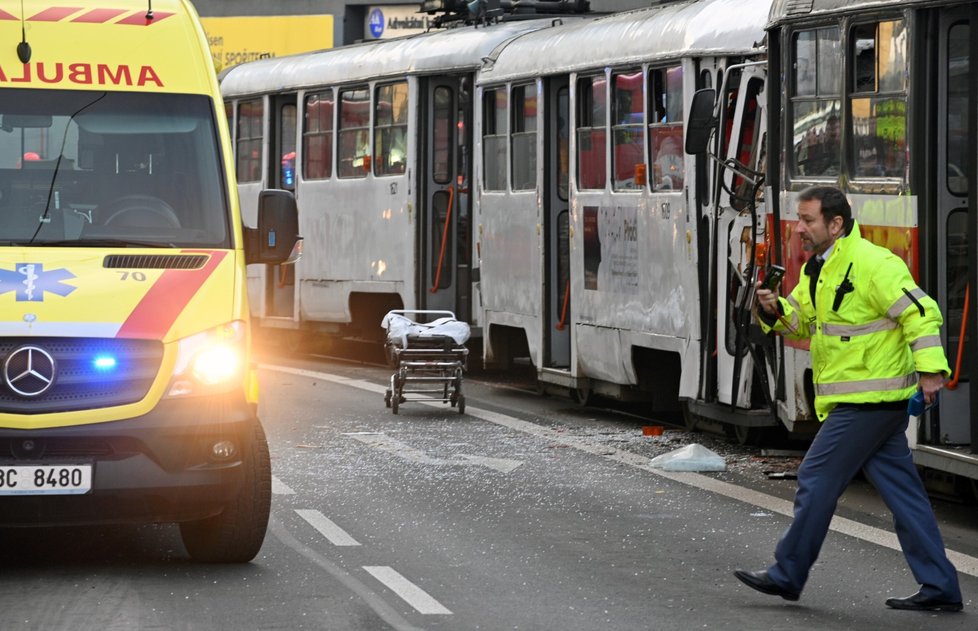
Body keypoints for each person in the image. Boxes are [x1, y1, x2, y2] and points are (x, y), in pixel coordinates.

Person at [735, 185, 963, 612]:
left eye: (808, 220)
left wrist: (931, 371)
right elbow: (802, 325)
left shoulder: (874, 263)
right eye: (800, 219)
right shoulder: (818, 269)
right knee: (904, 496)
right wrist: (772, 310)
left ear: (835, 224)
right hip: (864, 402)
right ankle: (941, 586)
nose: (799, 228)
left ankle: (788, 572)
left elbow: (921, 312)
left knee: (816, 478)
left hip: (870, 402)